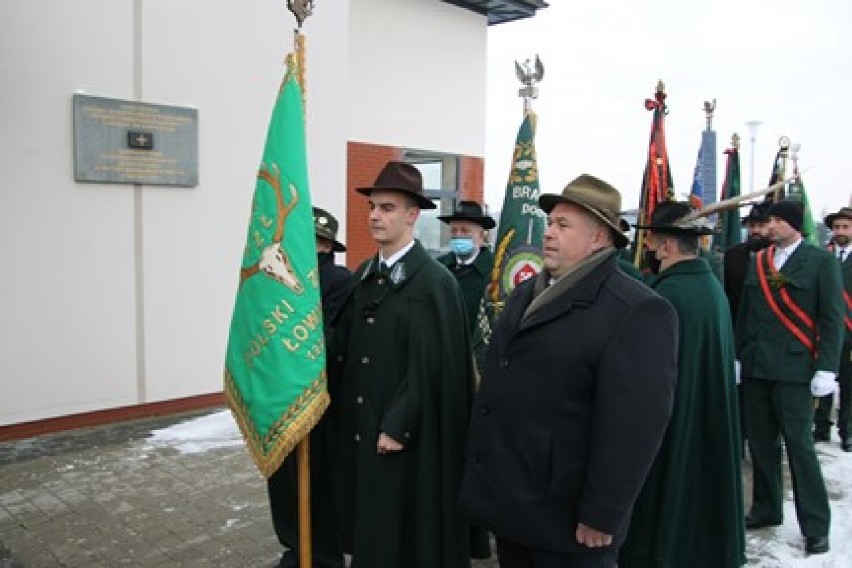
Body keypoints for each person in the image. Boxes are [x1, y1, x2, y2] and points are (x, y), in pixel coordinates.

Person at [460, 174, 679, 568]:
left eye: (563, 225)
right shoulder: (528, 293)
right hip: (515, 507)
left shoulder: (635, 310)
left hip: (568, 523)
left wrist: (602, 512)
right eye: (549, 223)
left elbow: (634, 428)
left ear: (599, 238)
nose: (548, 234)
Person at [327, 161, 476, 568]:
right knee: (369, 527)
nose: (375, 215)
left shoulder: (433, 283)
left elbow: (432, 366)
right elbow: (345, 349)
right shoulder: (363, 275)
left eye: (388, 207)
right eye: (373, 207)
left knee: (404, 530)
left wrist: (397, 424)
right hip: (361, 425)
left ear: (413, 214)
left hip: (406, 435)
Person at [619, 202, 745, 568]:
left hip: (675, 431)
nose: (651, 251)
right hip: (704, 422)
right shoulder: (709, 288)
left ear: (667, 246)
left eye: (654, 242)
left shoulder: (667, 296)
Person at [736, 199, 844, 556]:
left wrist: (827, 368)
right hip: (756, 368)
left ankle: (815, 525)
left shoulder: (821, 262)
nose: (771, 226)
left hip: (796, 371)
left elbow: (830, 319)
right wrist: (739, 356)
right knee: (761, 443)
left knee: (799, 448)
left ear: (795, 225)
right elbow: (747, 314)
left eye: (778, 221)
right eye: (771, 221)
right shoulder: (760, 260)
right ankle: (766, 508)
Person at [266, 206, 351, 568]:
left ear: (326, 244)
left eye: (314, 240)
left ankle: (321, 555)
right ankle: (293, 545)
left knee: (315, 480)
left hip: (316, 398)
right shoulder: (283, 275)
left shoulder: (337, 280)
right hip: (280, 392)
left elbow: (329, 338)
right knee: (282, 478)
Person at [814, 206, 852, 451]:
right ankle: (821, 427)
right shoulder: (822, 256)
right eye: (837, 227)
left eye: (845, 227)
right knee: (823, 377)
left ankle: (847, 431)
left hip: (850, 331)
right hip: (826, 330)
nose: (840, 231)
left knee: (849, 385)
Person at [437, 201, 496, 334]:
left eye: (465, 230)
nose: (458, 235)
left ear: (481, 236)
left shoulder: (495, 272)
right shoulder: (438, 268)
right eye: (454, 230)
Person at [723, 202, 772, 325]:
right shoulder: (732, 255)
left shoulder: (779, 256)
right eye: (752, 225)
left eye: (761, 226)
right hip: (737, 324)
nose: (755, 230)